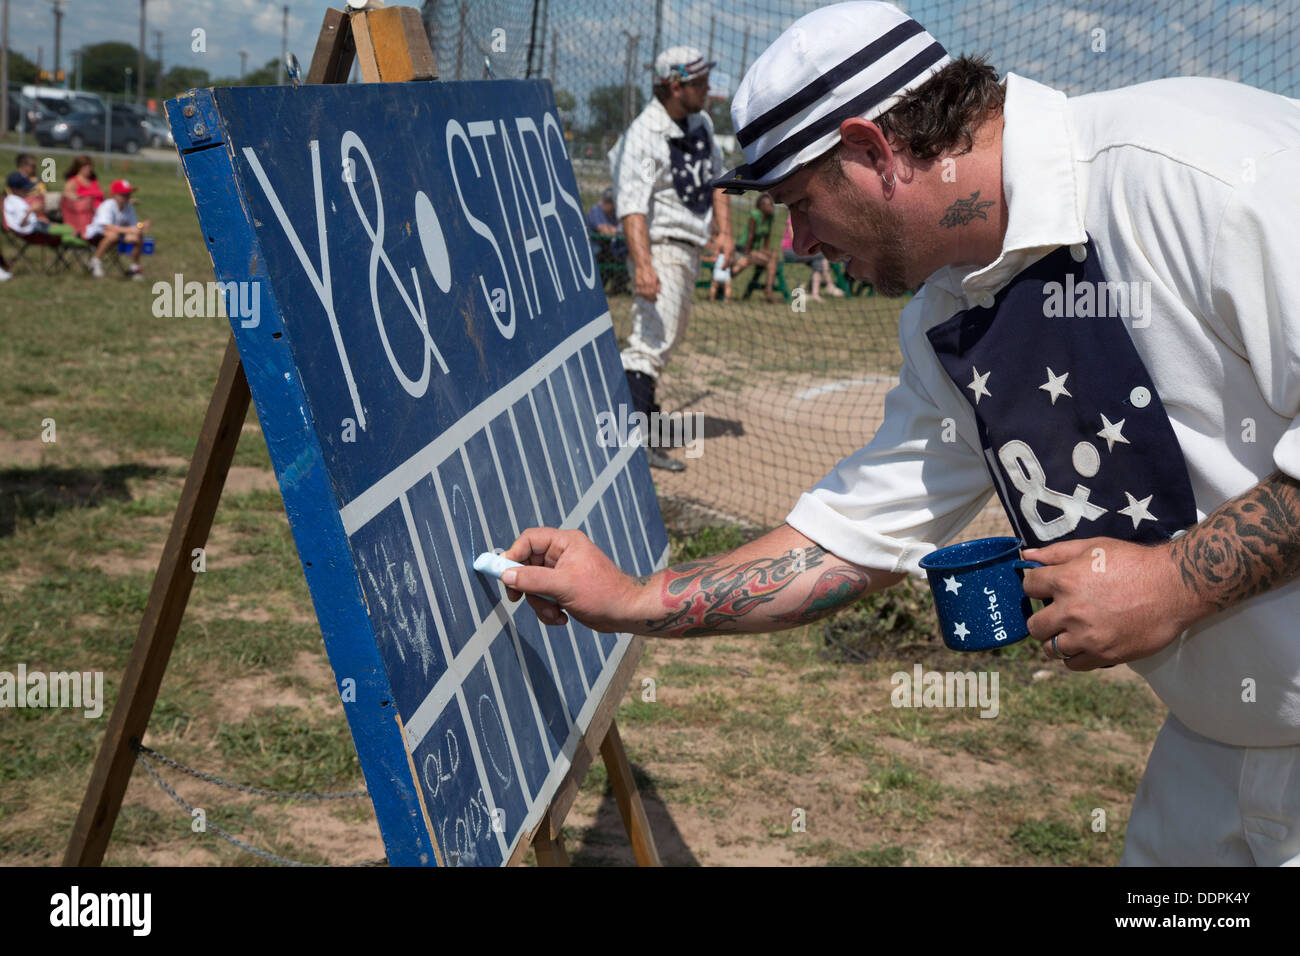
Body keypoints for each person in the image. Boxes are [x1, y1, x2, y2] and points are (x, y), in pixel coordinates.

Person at [499, 1, 1300, 867]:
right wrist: (629, 600)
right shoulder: (946, 314)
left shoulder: (1200, 173)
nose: (799, 242)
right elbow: (852, 541)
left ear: (873, 151)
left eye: (801, 203)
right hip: (1213, 755)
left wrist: (1174, 584)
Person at [608, 45, 732, 471]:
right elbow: (633, 206)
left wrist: (725, 230)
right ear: (674, 85)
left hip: (689, 247)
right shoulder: (644, 136)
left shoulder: (701, 122)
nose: (707, 89)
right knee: (649, 342)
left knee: (667, 338)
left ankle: (645, 421)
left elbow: (717, 179)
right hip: (659, 247)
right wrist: (643, 265)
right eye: (699, 82)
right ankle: (635, 437)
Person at [85, 179, 151, 279]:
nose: (127, 196)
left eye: (128, 194)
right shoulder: (108, 205)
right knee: (112, 235)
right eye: (123, 194)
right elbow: (107, 226)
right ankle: (96, 261)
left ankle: (135, 268)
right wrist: (131, 230)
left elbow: (134, 226)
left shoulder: (129, 207)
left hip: (118, 234)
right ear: (114, 195)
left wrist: (141, 226)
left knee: (137, 237)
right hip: (96, 234)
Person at [780, 218, 844, 302]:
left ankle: (815, 294)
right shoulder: (792, 219)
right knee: (822, 255)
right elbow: (795, 241)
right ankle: (829, 285)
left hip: (801, 250)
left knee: (818, 261)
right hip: (790, 251)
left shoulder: (806, 221)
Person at [731, 193, 779, 302]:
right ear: (761, 206)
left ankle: (768, 289)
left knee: (774, 256)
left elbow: (767, 236)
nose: (772, 207)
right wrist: (748, 254)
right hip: (744, 248)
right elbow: (750, 236)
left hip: (756, 249)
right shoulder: (754, 215)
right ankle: (769, 291)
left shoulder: (770, 217)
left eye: (772, 204)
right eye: (769, 205)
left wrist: (766, 250)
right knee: (770, 262)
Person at [61, 155, 103, 239]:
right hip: (86, 217)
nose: (89, 168)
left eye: (90, 166)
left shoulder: (93, 181)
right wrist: (86, 202)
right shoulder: (73, 182)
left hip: (100, 212)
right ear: (78, 167)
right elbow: (67, 199)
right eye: (85, 166)